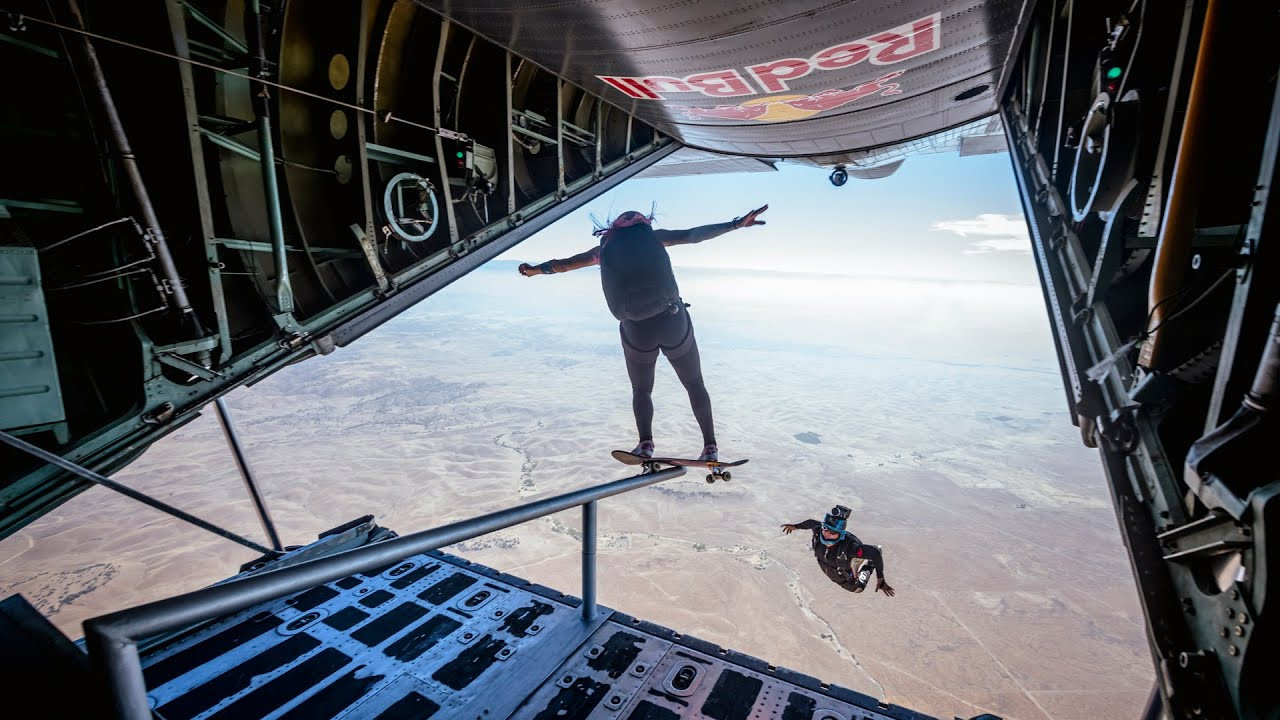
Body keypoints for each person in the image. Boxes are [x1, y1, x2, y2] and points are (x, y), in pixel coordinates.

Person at [518, 205, 768, 461]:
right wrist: (735, 224)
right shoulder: (655, 238)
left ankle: (645, 445)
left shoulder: (604, 250)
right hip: (672, 323)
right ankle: (710, 447)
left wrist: (535, 269)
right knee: (694, 384)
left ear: (614, 228)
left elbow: (564, 265)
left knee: (642, 390)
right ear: (643, 224)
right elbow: (693, 235)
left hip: (636, 330)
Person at [781, 505, 895, 596]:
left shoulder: (849, 548)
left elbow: (874, 553)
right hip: (831, 569)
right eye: (826, 528)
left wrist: (880, 578)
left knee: (858, 589)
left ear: (840, 534)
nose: (827, 533)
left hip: (846, 580)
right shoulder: (818, 532)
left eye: (833, 532)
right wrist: (795, 526)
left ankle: (868, 565)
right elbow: (811, 523)